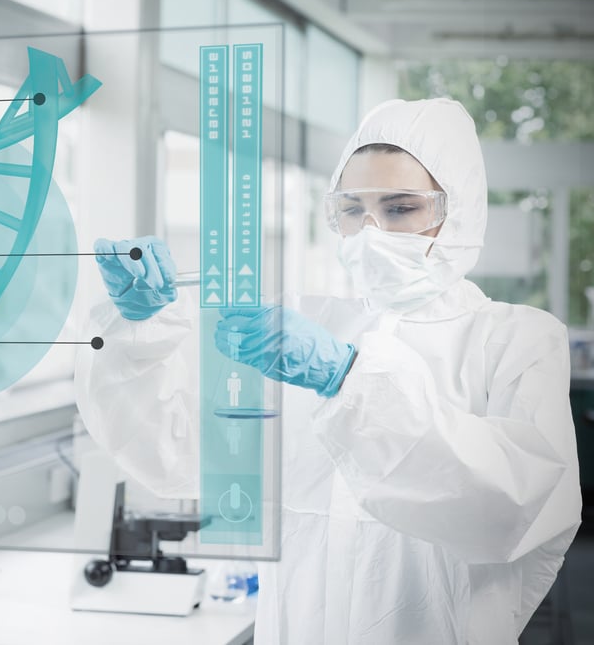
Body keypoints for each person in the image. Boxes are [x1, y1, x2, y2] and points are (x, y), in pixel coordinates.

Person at [75, 98, 582, 644]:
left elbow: (513, 509)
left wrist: (348, 380)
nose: (370, 231)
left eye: (401, 208)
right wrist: (140, 334)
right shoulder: (303, 327)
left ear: (458, 212)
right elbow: (174, 457)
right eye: (351, 209)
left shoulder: (514, 339)